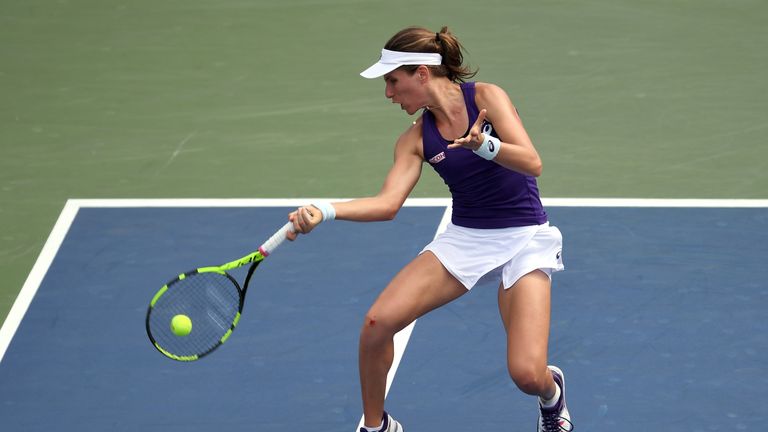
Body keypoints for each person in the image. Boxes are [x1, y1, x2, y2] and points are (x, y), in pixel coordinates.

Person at [287, 26, 573, 432]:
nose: (388, 94)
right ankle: (377, 426)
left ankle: (552, 392)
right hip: (466, 239)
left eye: (393, 81)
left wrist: (484, 146)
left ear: (422, 73)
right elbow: (387, 204)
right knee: (376, 324)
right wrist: (325, 209)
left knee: (527, 375)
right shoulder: (414, 140)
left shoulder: (488, 97)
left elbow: (532, 162)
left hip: (525, 236)